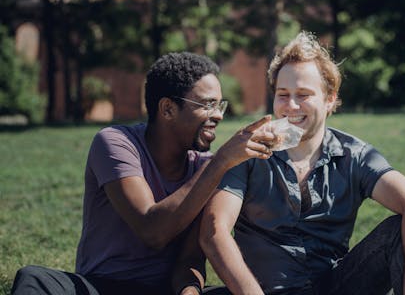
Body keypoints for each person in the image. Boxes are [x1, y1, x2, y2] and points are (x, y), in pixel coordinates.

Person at [200, 32, 405, 295]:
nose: (291, 105)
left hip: (336, 286)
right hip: (261, 290)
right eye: (283, 94)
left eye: (303, 94)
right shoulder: (247, 152)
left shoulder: (355, 155)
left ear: (329, 100)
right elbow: (215, 230)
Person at [11, 52, 275, 295]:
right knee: (34, 279)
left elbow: (189, 261)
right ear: (168, 109)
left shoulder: (204, 167)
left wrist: (189, 292)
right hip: (104, 287)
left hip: (164, 290)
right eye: (207, 105)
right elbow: (152, 231)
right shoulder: (115, 143)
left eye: (220, 105)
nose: (217, 115)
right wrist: (220, 162)